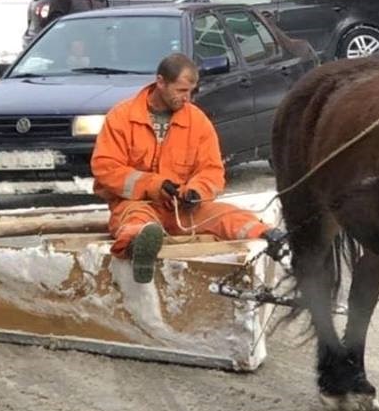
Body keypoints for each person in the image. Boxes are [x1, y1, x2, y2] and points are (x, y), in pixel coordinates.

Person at [91, 53, 286, 283]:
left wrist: (196, 192)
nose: (187, 98)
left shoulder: (197, 121)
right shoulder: (122, 117)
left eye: (191, 92)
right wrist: (153, 185)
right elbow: (105, 167)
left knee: (227, 215)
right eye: (181, 91)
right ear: (160, 82)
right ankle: (140, 251)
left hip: (181, 209)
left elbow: (212, 171)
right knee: (137, 223)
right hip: (135, 204)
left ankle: (269, 236)